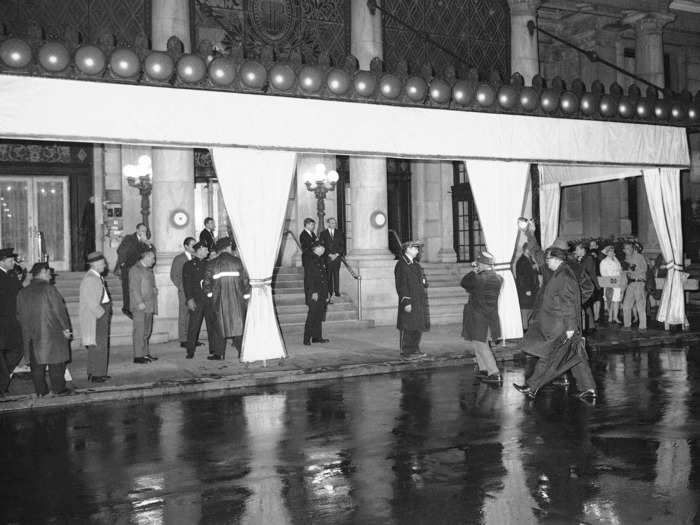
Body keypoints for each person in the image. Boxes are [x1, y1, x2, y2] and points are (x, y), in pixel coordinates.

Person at [513, 245, 597, 401]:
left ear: (556, 259)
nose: (546, 262)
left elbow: (568, 302)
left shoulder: (563, 276)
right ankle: (589, 389)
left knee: (549, 356)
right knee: (576, 355)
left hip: (562, 325)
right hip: (563, 323)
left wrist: (571, 327)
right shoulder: (560, 272)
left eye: (548, 259)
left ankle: (531, 387)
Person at [16, 263, 72, 397]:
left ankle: (41, 391)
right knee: (56, 362)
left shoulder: (22, 292)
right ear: (43, 272)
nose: (50, 275)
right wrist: (66, 328)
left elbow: (18, 315)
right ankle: (59, 389)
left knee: (37, 366)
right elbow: (59, 310)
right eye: (49, 272)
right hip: (51, 332)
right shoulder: (49, 289)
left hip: (31, 334)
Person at [204, 237, 251, 359]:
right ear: (227, 248)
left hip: (219, 301)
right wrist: (246, 299)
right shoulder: (238, 262)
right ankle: (243, 353)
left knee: (219, 327)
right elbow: (245, 282)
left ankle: (219, 354)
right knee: (239, 326)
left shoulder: (211, 264)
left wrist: (211, 298)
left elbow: (207, 285)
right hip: (238, 300)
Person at [460, 252, 503, 384]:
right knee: (478, 342)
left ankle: (494, 373)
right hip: (490, 314)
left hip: (478, 315)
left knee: (481, 344)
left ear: (482, 264)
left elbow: (464, 282)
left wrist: (474, 270)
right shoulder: (499, 278)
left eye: (478, 263)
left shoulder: (478, 278)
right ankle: (483, 369)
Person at [78, 251, 112, 383]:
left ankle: (95, 372)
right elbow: (91, 302)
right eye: (103, 263)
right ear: (96, 264)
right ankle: (97, 374)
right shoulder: (91, 278)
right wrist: (102, 314)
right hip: (97, 315)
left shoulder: (95, 276)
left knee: (96, 344)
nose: (105, 265)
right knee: (99, 345)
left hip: (99, 313)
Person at [394, 240, 429, 359]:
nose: (417, 250)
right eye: (415, 248)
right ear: (407, 249)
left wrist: (424, 282)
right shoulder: (402, 264)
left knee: (417, 325)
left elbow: (421, 281)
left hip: (418, 299)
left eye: (418, 249)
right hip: (410, 300)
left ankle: (414, 349)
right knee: (408, 325)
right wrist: (406, 301)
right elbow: (401, 285)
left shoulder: (415, 264)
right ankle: (406, 351)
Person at [183, 242, 216, 358]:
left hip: (209, 299)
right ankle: (190, 351)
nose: (208, 252)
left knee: (212, 326)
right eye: (206, 250)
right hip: (196, 300)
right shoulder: (188, 265)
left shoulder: (209, 264)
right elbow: (186, 284)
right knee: (193, 326)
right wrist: (189, 299)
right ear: (200, 249)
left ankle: (213, 349)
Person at [0, 247, 23, 395]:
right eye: (10, 260)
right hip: (2, 322)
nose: (13, 262)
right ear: (2, 261)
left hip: (13, 321)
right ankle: (2, 385)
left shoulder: (11, 274)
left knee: (18, 348)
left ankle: (2, 378)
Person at [116, 223, 152, 318]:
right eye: (142, 230)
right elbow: (121, 250)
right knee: (128, 289)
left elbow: (149, 254)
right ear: (137, 230)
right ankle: (126, 309)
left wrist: (147, 244)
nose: (144, 232)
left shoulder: (145, 242)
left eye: (145, 231)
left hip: (140, 269)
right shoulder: (129, 238)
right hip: (128, 268)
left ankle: (135, 307)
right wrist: (123, 264)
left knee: (137, 289)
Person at [129, 247, 158, 363]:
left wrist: (154, 289)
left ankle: (145, 353)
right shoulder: (135, 269)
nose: (154, 260)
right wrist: (139, 302)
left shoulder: (147, 269)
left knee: (146, 331)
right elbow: (134, 288)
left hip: (149, 304)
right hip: (140, 306)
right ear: (145, 257)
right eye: (152, 258)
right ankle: (138, 356)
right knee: (139, 331)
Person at [170, 237, 196, 348]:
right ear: (186, 246)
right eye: (192, 245)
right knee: (184, 314)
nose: (194, 247)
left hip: (194, 291)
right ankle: (183, 339)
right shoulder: (179, 258)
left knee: (193, 315)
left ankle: (191, 337)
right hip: (184, 291)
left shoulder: (195, 257)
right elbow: (174, 276)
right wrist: (181, 287)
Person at [302, 241, 330, 345]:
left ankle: (317, 337)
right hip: (314, 292)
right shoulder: (310, 259)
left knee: (319, 315)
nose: (323, 249)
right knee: (312, 315)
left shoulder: (320, 259)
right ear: (315, 248)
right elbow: (309, 278)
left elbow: (324, 278)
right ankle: (306, 338)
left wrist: (326, 293)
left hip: (322, 291)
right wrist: (313, 292)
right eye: (321, 247)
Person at [572, 242, 600, 333]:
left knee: (585, 305)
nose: (575, 251)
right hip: (585, 285)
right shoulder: (583, 259)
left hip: (588, 286)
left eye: (577, 249)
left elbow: (585, 272)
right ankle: (590, 326)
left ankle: (588, 327)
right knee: (586, 306)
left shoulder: (588, 258)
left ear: (582, 250)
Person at [621, 241, 648, 331]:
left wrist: (630, 270)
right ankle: (627, 325)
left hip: (639, 283)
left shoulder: (639, 257)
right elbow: (627, 271)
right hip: (631, 283)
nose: (626, 250)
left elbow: (644, 269)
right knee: (626, 305)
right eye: (625, 249)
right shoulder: (627, 258)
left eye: (628, 248)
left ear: (633, 249)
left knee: (640, 305)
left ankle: (643, 327)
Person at [319, 217, 345, 301]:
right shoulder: (323, 233)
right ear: (328, 224)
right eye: (332, 223)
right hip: (328, 257)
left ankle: (337, 291)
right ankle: (330, 292)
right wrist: (329, 254)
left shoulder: (339, 232)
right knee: (329, 275)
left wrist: (337, 254)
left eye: (334, 223)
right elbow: (322, 246)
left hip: (337, 257)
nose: (334, 224)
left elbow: (342, 245)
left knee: (336, 274)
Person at [515, 242, 539, 330]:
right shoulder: (521, 261)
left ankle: (526, 328)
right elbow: (521, 277)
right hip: (526, 289)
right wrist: (526, 289)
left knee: (532, 308)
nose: (531, 251)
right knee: (525, 310)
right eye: (530, 249)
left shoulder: (530, 259)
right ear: (525, 250)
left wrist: (535, 268)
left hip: (533, 288)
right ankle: (524, 329)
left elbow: (531, 272)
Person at [599, 245, 624, 324]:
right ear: (606, 253)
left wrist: (619, 278)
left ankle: (615, 317)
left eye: (612, 251)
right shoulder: (604, 262)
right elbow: (603, 274)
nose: (611, 253)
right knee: (610, 300)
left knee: (616, 301)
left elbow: (620, 270)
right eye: (609, 251)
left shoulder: (616, 260)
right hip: (609, 283)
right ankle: (610, 316)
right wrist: (612, 280)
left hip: (617, 283)